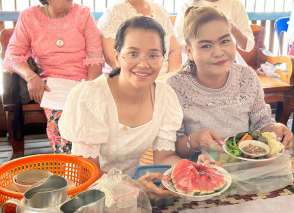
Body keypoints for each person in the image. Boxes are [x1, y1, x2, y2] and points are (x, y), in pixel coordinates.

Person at [59, 16, 211, 201]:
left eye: (153, 55)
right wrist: (133, 187)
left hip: (135, 188)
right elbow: (86, 173)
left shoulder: (165, 96)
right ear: (117, 57)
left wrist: (188, 169)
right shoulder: (92, 97)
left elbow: (164, 158)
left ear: (162, 59)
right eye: (133, 54)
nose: (143, 64)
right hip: (91, 194)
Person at [166, 6, 293, 159]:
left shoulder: (247, 77)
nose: (219, 52)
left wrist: (275, 129)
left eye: (225, 41)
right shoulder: (175, 87)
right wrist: (195, 141)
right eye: (206, 46)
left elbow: (261, 124)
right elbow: (171, 148)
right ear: (190, 52)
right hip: (198, 171)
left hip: (247, 168)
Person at [3, 0, 104, 154]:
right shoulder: (29, 16)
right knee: (62, 123)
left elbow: (95, 54)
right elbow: (13, 55)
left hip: (85, 81)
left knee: (92, 120)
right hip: (53, 84)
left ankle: (92, 166)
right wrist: (31, 77)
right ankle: (68, 165)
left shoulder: (83, 13)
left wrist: (90, 88)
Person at [98, 0, 181, 76]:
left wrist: (171, 79)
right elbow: (112, 58)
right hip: (132, 80)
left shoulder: (160, 10)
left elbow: (174, 50)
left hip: (166, 80)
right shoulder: (114, 12)